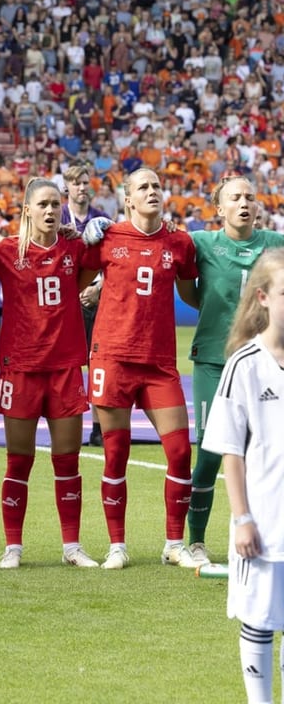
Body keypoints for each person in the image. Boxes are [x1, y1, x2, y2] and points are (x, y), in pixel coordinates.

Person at [81, 167, 198, 569]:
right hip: (112, 357)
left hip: (159, 363)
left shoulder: (179, 243)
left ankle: (174, 544)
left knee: (180, 451)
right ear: (127, 199)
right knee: (115, 453)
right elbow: (78, 277)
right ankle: (117, 546)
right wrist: (84, 238)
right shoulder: (107, 237)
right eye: (143, 187)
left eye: (156, 186)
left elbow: (191, 294)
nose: (152, 191)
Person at [0, 178, 100, 569]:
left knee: (68, 460)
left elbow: (92, 272)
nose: (50, 211)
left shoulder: (74, 247)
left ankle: (72, 547)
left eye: (55, 204)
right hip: (20, 369)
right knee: (19, 460)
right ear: (27, 210)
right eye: (43, 205)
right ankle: (12, 547)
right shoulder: (4, 252)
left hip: (65, 367)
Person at [182, 177, 284, 565]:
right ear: (218, 209)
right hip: (213, 358)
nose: (244, 203)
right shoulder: (202, 243)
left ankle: (265, 534)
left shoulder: (275, 243)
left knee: (267, 448)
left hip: (265, 362)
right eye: (234, 198)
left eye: (249, 197)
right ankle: (195, 541)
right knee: (210, 449)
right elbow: (185, 287)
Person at [200, 248, 284, 704]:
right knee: (259, 619)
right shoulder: (244, 365)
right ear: (263, 298)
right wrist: (241, 519)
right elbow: (231, 449)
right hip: (265, 520)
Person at [61, 164, 109, 447]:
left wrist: (97, 289)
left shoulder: (102, 219)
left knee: (97, 363)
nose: (82, 187)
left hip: (95, 300)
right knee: (67, 365)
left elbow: (115, 261)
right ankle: (67, 421)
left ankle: (97, 428)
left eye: (85, 182)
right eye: (76, 182)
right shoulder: (57, 215)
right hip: (64, 302)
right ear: (66, 186)